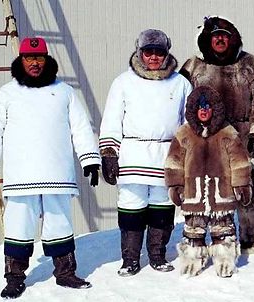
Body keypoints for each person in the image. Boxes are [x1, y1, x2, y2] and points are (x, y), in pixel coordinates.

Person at [0, 37, 100, 299]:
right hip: (21, 178)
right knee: (18, 228)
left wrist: (90, 159)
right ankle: (14, 278)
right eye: (29, 58)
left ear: (47, 60)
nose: (34, 63)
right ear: (20, 61)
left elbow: (80, 129)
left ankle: (65, 273)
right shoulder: (6, 94)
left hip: (57, 176)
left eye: (39, 58)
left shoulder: (65, 92)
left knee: (60, 225)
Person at [99, 29, 192, 277]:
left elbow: (188, 123)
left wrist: (187, 156)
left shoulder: (181, 83)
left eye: (159, 52)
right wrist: (109, 153)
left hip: (167, 154)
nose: (153, 57)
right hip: (133, 154)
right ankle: (130, 259)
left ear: (166, 53)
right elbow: (111, 120)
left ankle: (157, 255)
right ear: (139, 52)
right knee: (131, 207)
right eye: (148, 51)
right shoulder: (123, 82)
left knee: (162, 207)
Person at [179, 16, 254, 254]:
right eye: (215, 35)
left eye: (225, 36)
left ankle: (251, 235)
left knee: (248, 185)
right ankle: (202, 235)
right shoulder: (193, 66)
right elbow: (182, 103)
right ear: (207, 39)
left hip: (242, 135)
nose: (220, 39)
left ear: (233, 39)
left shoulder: (251, 64)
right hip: (206, 138)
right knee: (205, 187)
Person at [165, 86, 251, 278]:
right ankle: (192, 261)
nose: (204, 110)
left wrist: (242, 184)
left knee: (224, 230)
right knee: (193, 231)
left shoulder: (227, 133)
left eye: (208, 106)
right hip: (193, 195)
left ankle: (225, 262)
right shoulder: (184, 134)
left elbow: (239, 162)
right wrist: (175, 185)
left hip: (221, 195)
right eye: (200, 106)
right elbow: (174, 162)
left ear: (216, 109)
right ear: (193, 109)